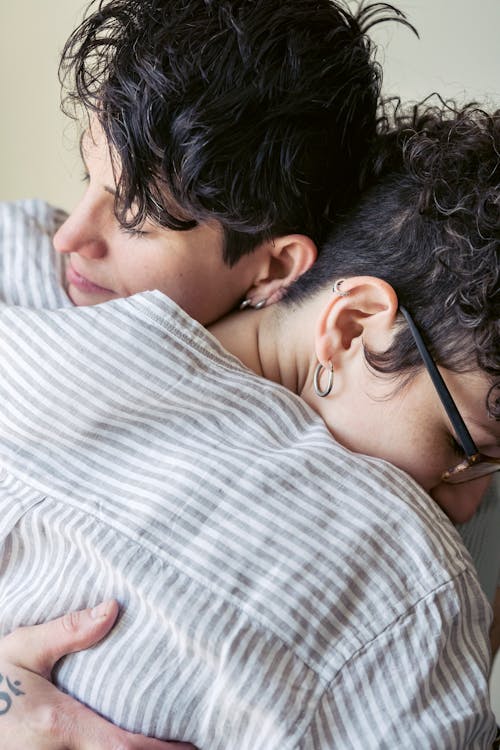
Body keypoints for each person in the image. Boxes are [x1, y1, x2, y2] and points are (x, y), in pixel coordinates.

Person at [0, 102, 499, 748]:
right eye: (461, 446)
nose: (474, 500)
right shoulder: (414, 583)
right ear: (350, 326)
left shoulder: (27, 273)